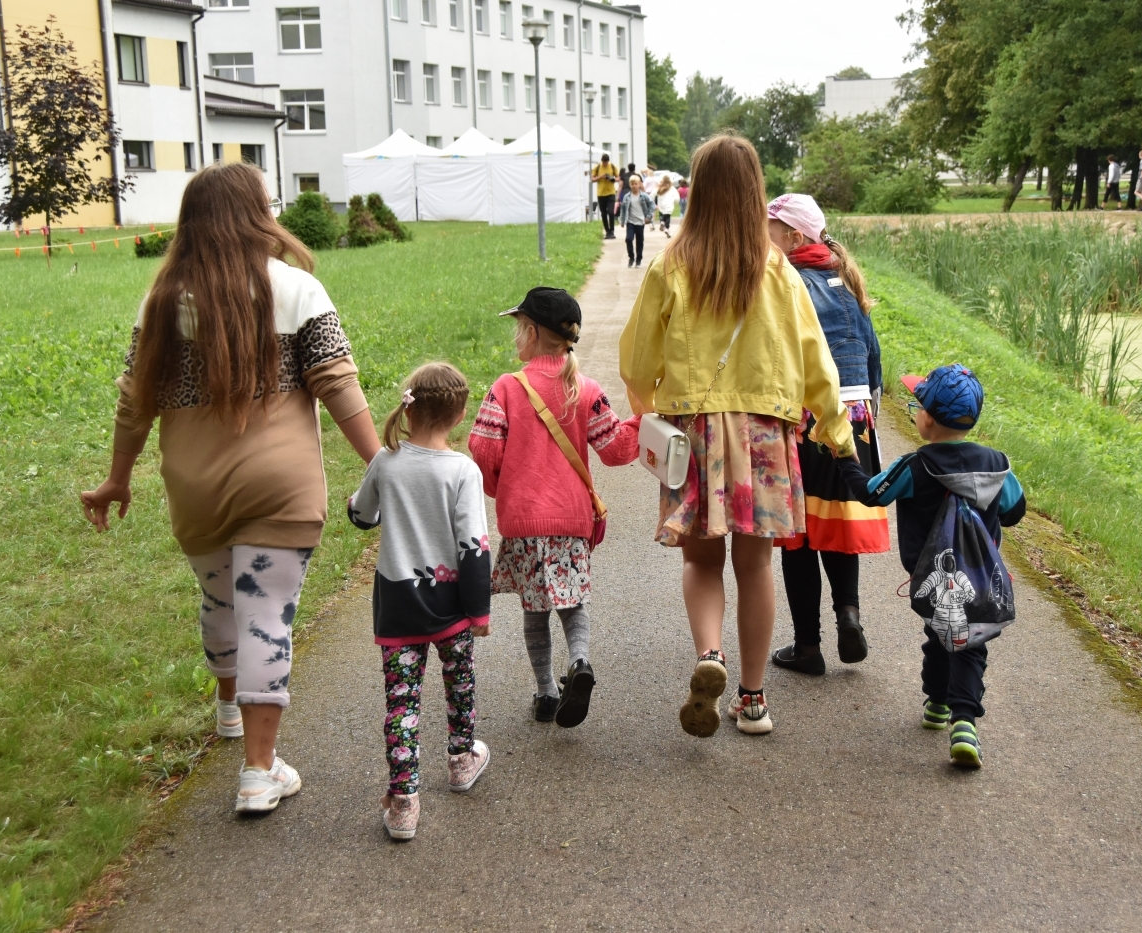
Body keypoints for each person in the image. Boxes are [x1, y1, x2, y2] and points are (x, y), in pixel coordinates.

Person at [80, 162, 380, 813]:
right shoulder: (296, 289)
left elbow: (135, 404)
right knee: (265, 614)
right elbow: (338, 384)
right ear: (257, 214)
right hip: (281, 486)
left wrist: (116, 478)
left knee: (222, 601)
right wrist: (383, 463)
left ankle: (229, 712)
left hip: (196, 486)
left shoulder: (162, 302)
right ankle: (257, 771)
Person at [620, 134, 854, 738]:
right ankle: (753, 700)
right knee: (756, 567)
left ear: (698, 189)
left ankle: (709, 654)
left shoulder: (671, 262)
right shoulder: (778, 269)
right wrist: (835, 430)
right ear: (755, 191)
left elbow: (637, 355)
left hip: (692, 431)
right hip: (764, 436)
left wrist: (649, 407)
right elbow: (815, 358)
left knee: (701, 560)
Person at [469, 287, 640, 728]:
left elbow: (483, 449)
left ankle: (546, 693)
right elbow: (617, 449)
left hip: (524, 520)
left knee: (535, 606)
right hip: (571, 519)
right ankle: (579, 663)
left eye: (519, 329)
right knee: (572, 599)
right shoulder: (585, 389)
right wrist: (643, 420)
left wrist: (500, 488)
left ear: (532, 332)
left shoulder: (507, 388)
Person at [848, 364, 1026, 768]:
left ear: (926, 417)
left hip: (932, 575)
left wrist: (846, 456)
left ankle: (944, 708)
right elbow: (1015, 512)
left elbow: (870, 494)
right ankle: (960, 718)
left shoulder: (916, 465)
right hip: (981, 578)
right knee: (970, 643)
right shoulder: (997, 464)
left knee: (940, 633)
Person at [347, 362, 492, 840]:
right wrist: (479, 611)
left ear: (409, 407)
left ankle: (404, 801)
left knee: (402, 704)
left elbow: (361, 515)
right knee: (460, 684)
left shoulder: (386, 462)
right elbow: (474, 547)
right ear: (459, 413)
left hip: (398, 607)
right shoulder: (462, 471)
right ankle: (461, 759)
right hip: (451, 606)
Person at [762, 194, 888, 677]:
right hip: (855, 417)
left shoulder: (788, 281)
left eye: (770, 231)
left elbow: (781, 356)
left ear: (794, 238)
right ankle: (849, 614)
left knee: (799, 536)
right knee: (834, 528)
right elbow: (873, 357)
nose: (762, 240)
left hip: (807, 418)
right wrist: (868, 418)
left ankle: (808, 646)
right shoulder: (847, 280)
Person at [620, 174, 655, 267]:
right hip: (630, 222)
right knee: (628, 239)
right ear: (630, 185)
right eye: (632, 184)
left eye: (636, 184)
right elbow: (623, 209)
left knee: (639, 241)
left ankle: (638, 260)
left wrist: (648, 217)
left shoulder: (644, 196)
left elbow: (652, 205)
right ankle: (631, 258)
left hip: (640, 222)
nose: (634, 186)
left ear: (639, 184)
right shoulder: (627, 197)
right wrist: (622, 221)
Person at [593, 154, 619, 239]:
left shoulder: (612, 166)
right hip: (601, 193)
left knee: (611, 212)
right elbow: (592, 179)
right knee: (603, 213)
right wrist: (600, 177)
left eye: (606, 162)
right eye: (604, 162)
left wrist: (611, 178)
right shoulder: (597, 168)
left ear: (608, 161)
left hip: (611, 192)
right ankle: (607, 231)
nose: (605, 164)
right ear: (602, 161)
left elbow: (618, 178)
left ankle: (612, 231)